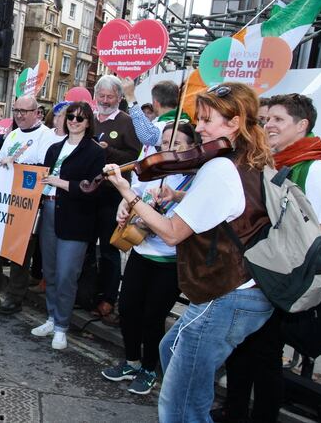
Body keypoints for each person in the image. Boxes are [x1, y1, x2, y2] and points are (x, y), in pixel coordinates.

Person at [104, 82, 275, 422]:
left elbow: (171, 233)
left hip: (229, 294)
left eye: (207, 120)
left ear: (235, 123)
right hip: (244, 292)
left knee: (180, 406)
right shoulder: (247, 161)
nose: (198, 127)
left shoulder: (221, 168)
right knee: (171, 349)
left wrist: (129, 194)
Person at [213, 93, 321, 423]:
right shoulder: (271, 163)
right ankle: (233, 411)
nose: (269, 125)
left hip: (283, 284)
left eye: (278, 119)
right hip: (257, 276)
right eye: (267, 120)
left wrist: (292, 282)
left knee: (266, 359)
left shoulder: (316, 170)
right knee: (240, 350)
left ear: (302, 124)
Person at [101, 123, 200, 396]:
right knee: (129, 308)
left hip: (170, 260)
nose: (167, 148)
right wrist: (123, 210)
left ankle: (148, 368)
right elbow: (134, 199)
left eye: (176, 143)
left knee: (153, 316)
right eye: (164, 142)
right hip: (141, 251)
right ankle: (131, 361)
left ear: (192, 146)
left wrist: (175, 196)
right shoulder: (153, 172)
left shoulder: (196, 178)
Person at [0, 95, 60, 314]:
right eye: (16, 110)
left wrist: (17, 165)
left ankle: (15, 297)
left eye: (24, 111)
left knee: (19, 252)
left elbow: (46, 168)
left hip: (28, 202)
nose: (19, 115)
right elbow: (0, 165)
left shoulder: (46, 136)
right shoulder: (13, 134)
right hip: (4, 199)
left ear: (37, 113)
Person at [31, 101, 104, 350]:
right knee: (49, 271)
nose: (73, 120)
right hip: (50, 211)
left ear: (88, 123)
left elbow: (94, 190)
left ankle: (62, 326)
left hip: (76, 219)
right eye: (70, 116)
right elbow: (39, 176)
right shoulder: (54, 148)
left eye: (79, 118)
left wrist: (61, 183)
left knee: (66, 275)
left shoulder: (95, 152)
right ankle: (52, 318)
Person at [92, 75, 142, 320]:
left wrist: (107, 152)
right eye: (101, 95)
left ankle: (108, 298)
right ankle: (88, 291)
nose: (104, 100)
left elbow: (134, 157)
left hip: (113, 195)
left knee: (110, 248)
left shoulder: (126, 122)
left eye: (109, 96)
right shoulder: (89, 118)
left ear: (119, 98)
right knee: (88, 246)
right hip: (87, 192)